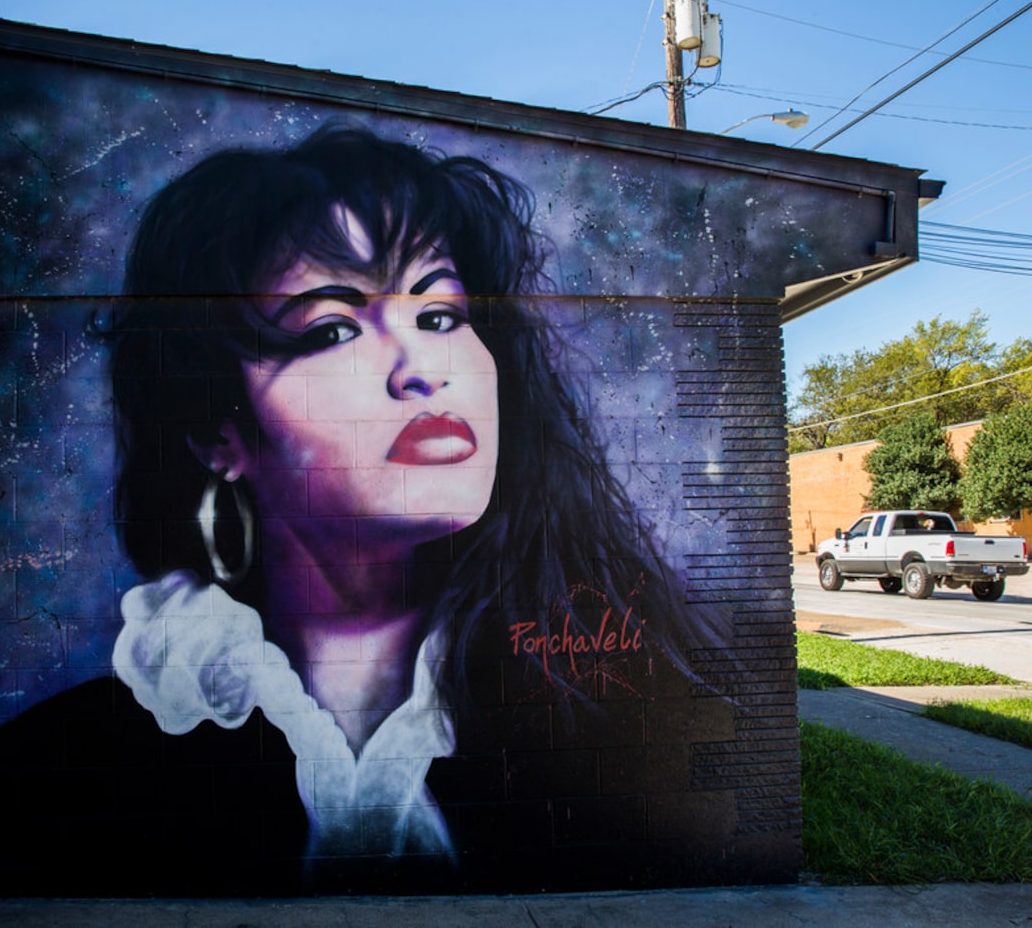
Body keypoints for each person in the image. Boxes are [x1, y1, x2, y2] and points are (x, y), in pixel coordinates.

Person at [105, 124, 702, 888]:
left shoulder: (626, 694)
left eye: (440, 314)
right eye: (331, 330)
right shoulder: (92, 753)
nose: (420, 367)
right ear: (215, 434)